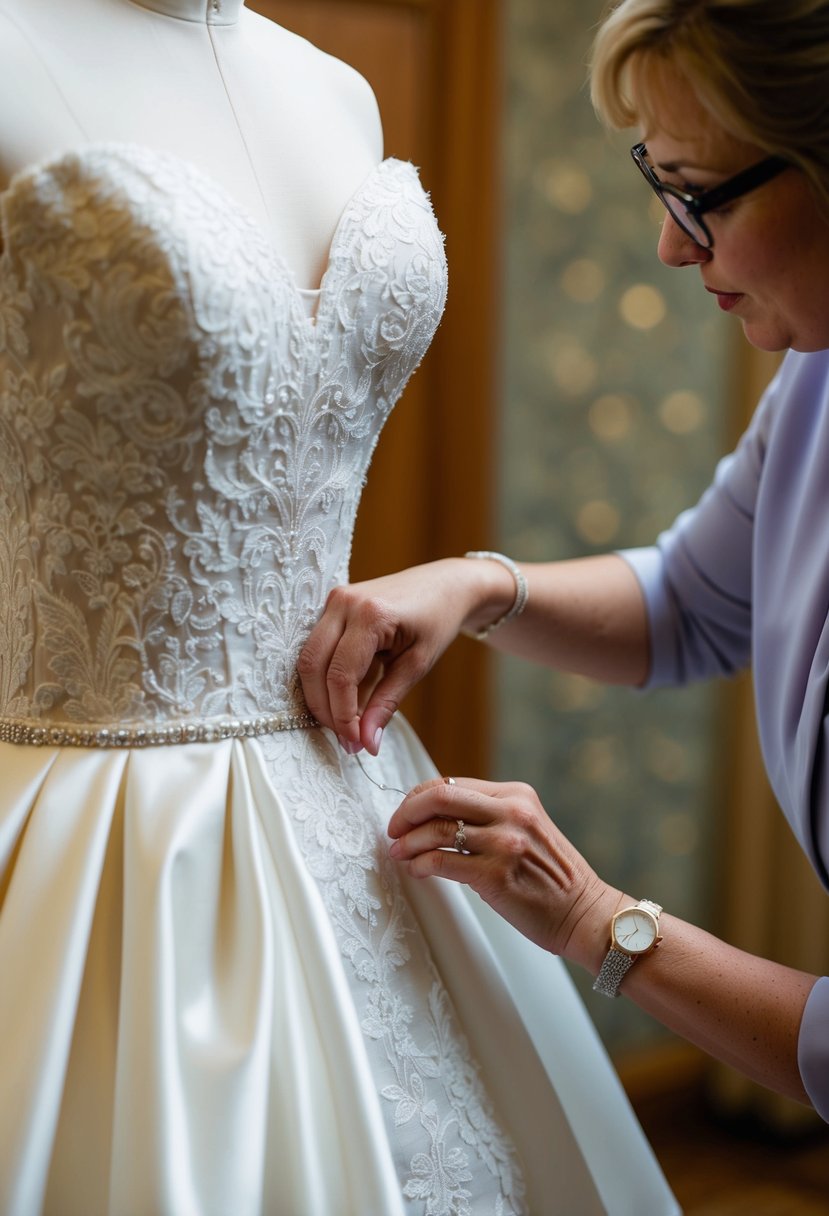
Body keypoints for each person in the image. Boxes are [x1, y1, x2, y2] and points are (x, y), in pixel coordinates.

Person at [0, 0, 680, 1212]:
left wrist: (475, 581)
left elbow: (693, 599)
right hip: (96, 801)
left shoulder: (333, 90)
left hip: (359, 792)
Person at [299, 0, 829, 1128]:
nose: (670, 243)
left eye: (699, 192)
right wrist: (478, 582)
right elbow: (690, 603)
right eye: (658, 184)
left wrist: (595, 919)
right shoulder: (816, 383)